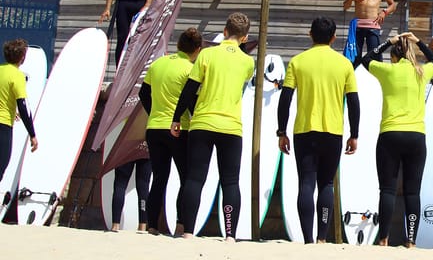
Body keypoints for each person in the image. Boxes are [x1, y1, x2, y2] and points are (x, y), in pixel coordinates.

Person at [170, 13, 255, 241]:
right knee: (230, 181)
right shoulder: (248, 62)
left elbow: (190, 89)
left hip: (203, 122)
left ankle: (188, 231)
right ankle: (229, 234)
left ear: (224, 31)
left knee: (195, 179)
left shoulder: (207, 54)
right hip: (231, 126)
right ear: (245, 38)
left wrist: (176, 118)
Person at [276, 16, 360, 244]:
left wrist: (281, 131)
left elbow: (285, 99)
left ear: (310, 34)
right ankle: (322, 238)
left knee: (306, 183)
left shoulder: (298, 61)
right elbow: (353, 101)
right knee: (326, 184)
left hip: (304, 131)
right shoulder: (344, 64)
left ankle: (308, 239)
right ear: (334, 37)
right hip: (333, 132)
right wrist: (354, 134)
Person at [361, 32, 433, 247]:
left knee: (387, 189)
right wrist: (418, 42)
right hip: (416, 136)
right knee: (413, 191)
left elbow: (366, 59)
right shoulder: (422, 72)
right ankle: (411, 240)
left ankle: (384, 238)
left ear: (393, 56)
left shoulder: (387, 70)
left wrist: (388, 41)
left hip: (390, 134)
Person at [139, 28, 202, 236]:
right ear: (197, 50)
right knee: (186, 178)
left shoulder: (158, 63)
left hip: (154, 127)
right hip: (179, 128)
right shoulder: (189, 69)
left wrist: (153, 113)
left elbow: (143, 93)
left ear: (178, 45)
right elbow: (191, 100)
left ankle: (152, 226)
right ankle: (180, 225)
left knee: (159, 178)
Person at [343, 0, 397, 66]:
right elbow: (345, 6)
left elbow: (393, 5)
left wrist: (384, 12)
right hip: (358, 26)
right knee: (354, 57)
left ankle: (374, 81)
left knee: (374, 57)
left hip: (373, 26)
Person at [0, 39, 37, 183]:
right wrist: (32, 134)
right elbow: (23, 106)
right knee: (1, 166)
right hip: (3, 127)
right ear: (22, 57)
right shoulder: (18, 76)